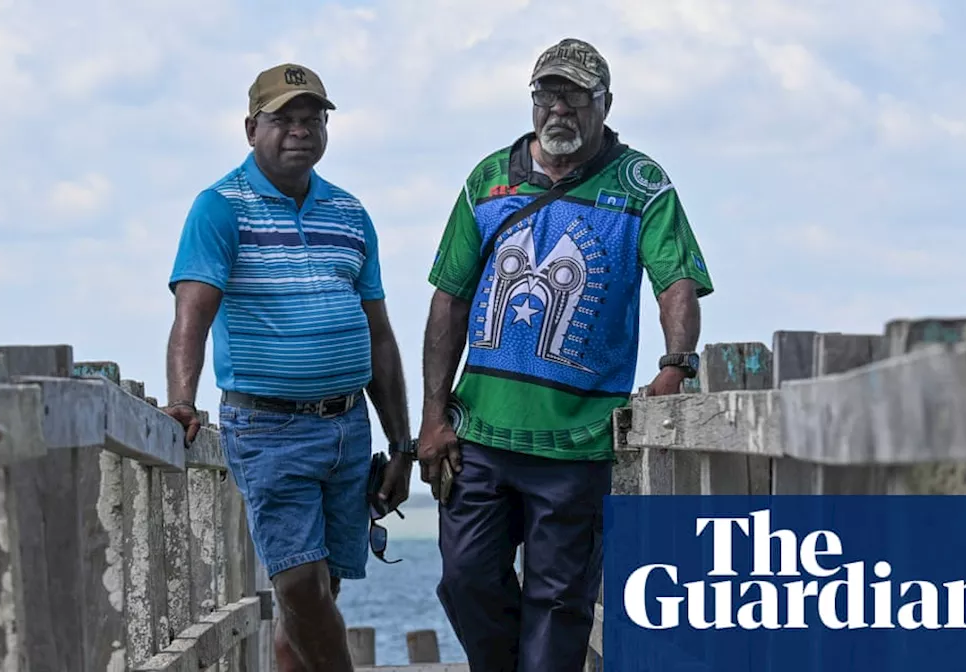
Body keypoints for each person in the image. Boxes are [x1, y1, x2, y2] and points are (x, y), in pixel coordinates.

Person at [418, 38, 714, 671]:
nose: (559, 109)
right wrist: (432, 417)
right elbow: (449, 301)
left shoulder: (642, 185)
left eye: (575, 96)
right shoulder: (487, 179)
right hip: (481, 434)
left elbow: (676, 283)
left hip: (577, 443)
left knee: (559, 606)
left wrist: (675, 364)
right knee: (466, 579)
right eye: (547, 95)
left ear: (604, 104)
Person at [162, 62, 415, 672]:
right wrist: (181, 400)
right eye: (284, 119)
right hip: (268, 426)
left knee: (319, 595)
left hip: (347, 426)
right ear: (252, 128)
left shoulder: (350, 213)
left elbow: (379, 336)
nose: (300, 130)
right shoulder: (220, 207)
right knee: (298, 584)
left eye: (313, 118)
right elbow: (191, 316)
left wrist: (401, 442)